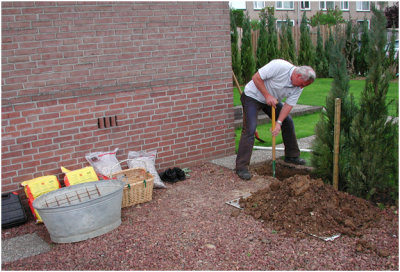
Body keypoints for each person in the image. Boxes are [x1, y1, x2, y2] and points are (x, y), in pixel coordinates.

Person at [236, 59, 316, 180]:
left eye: (303, 86)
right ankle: (241, 167)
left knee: (287, 122)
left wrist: (278, 123)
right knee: (250, 129)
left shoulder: (299, 86)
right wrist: (267, 95)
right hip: (252, 96)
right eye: (301, 84)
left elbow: (288, 105)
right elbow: (256, 78)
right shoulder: (279, 66)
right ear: (297, 75)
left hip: (271, 100)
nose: (301, 87)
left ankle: (292, 156)